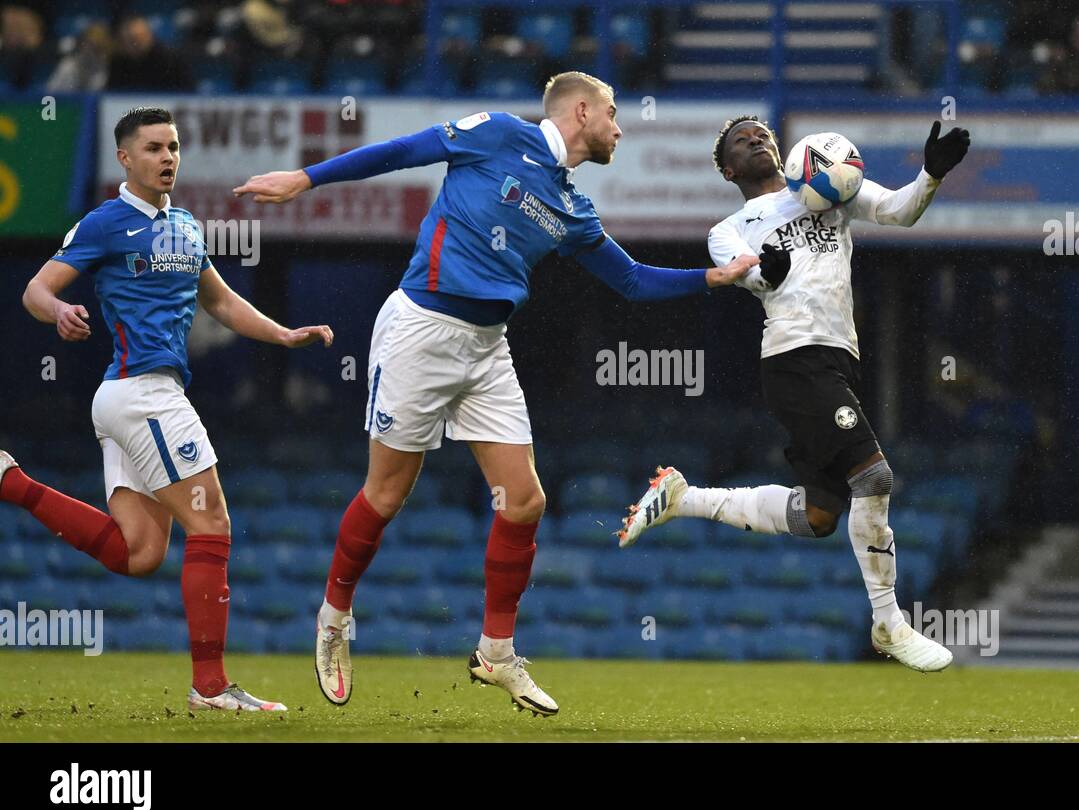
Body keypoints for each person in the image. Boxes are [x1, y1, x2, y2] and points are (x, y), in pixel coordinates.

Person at [233, 71, 757, 715]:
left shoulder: (574, 208)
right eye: (614, 113)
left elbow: (633, 283)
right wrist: (305, 178)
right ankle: (335, 616)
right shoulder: (499, 134)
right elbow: (403, 151)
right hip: (421, 332)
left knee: (525, 501)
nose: (620, 127)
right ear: (582, 111)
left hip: (487, 347)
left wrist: (716, 277)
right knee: (387, 492)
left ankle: (497, 653)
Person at [2, 106, 334, 711]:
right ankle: (210, 687)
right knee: (212, 525)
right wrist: (60, 312)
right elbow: (36, 290)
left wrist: (284, 335)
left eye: (174, 147)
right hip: (144, 393)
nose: (168, 158)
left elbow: (222, 302)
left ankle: (12, 482)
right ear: (125, 158)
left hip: (130, 399)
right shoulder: (105, 223)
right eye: (153, 148)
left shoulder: (185, 224)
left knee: (140, 554)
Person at [618, 116, 970, 672]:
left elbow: (901, 211)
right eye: (742, 138)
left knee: (820, 516)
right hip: (793, 359)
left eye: (762, 132)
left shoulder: (830, 191)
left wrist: (931, 173)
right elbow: (743, 272)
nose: (757, 137)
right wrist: (766, 272)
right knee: (874, 477)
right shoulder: (729, 226)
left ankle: (684, 498)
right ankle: (888, 623)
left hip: (839, 359)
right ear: (729, 168)